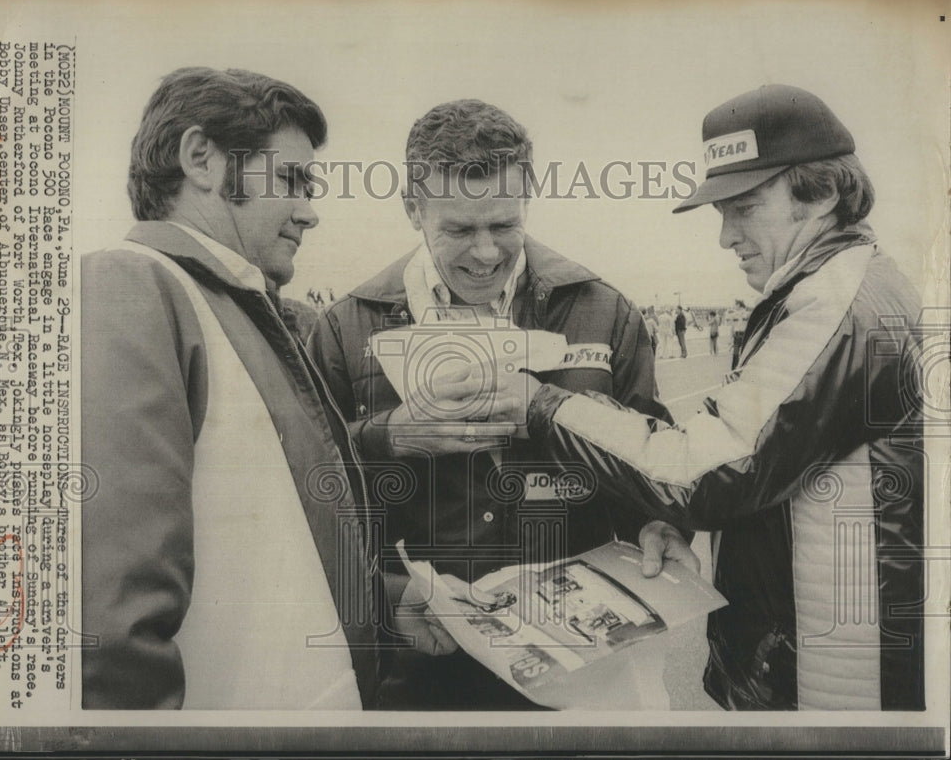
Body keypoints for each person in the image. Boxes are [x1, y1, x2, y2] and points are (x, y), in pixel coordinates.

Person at [521, 84, 925, 710]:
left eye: (744, 207)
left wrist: (539, 405)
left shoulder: (837, 302)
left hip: (833, 685)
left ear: (819, 193)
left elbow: (705, 474)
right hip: (809, 654)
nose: (725, 236)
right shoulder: (836, 285)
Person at [307, 99, 689, 709]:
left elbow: (653, 460)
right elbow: (310, 491)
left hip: (580, 661)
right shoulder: (345, 327)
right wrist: (386, 435)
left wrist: (660, 523)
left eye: (504, 225)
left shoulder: (601, 308)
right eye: (458, 229)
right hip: (421, 659)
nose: (485, 252)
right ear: (413, 208)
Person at [80, 67, 385, 710]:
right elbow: (108, 623)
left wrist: (393, 597)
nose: (310, 211)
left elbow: (276, 538)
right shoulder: (133, 285)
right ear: (202, 160)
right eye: (293, 180)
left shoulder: (231, 304)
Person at [727, 299, 750, 368]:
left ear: (739, 305)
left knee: (743, 354)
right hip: (736, 336)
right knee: (735, 354)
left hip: (744, 335)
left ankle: (741, 369)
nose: (734, 306)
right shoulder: (734, 315)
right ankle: (734, 369)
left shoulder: (747, 314)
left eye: (735, 304)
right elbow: (733, 326)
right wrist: (731, 338)